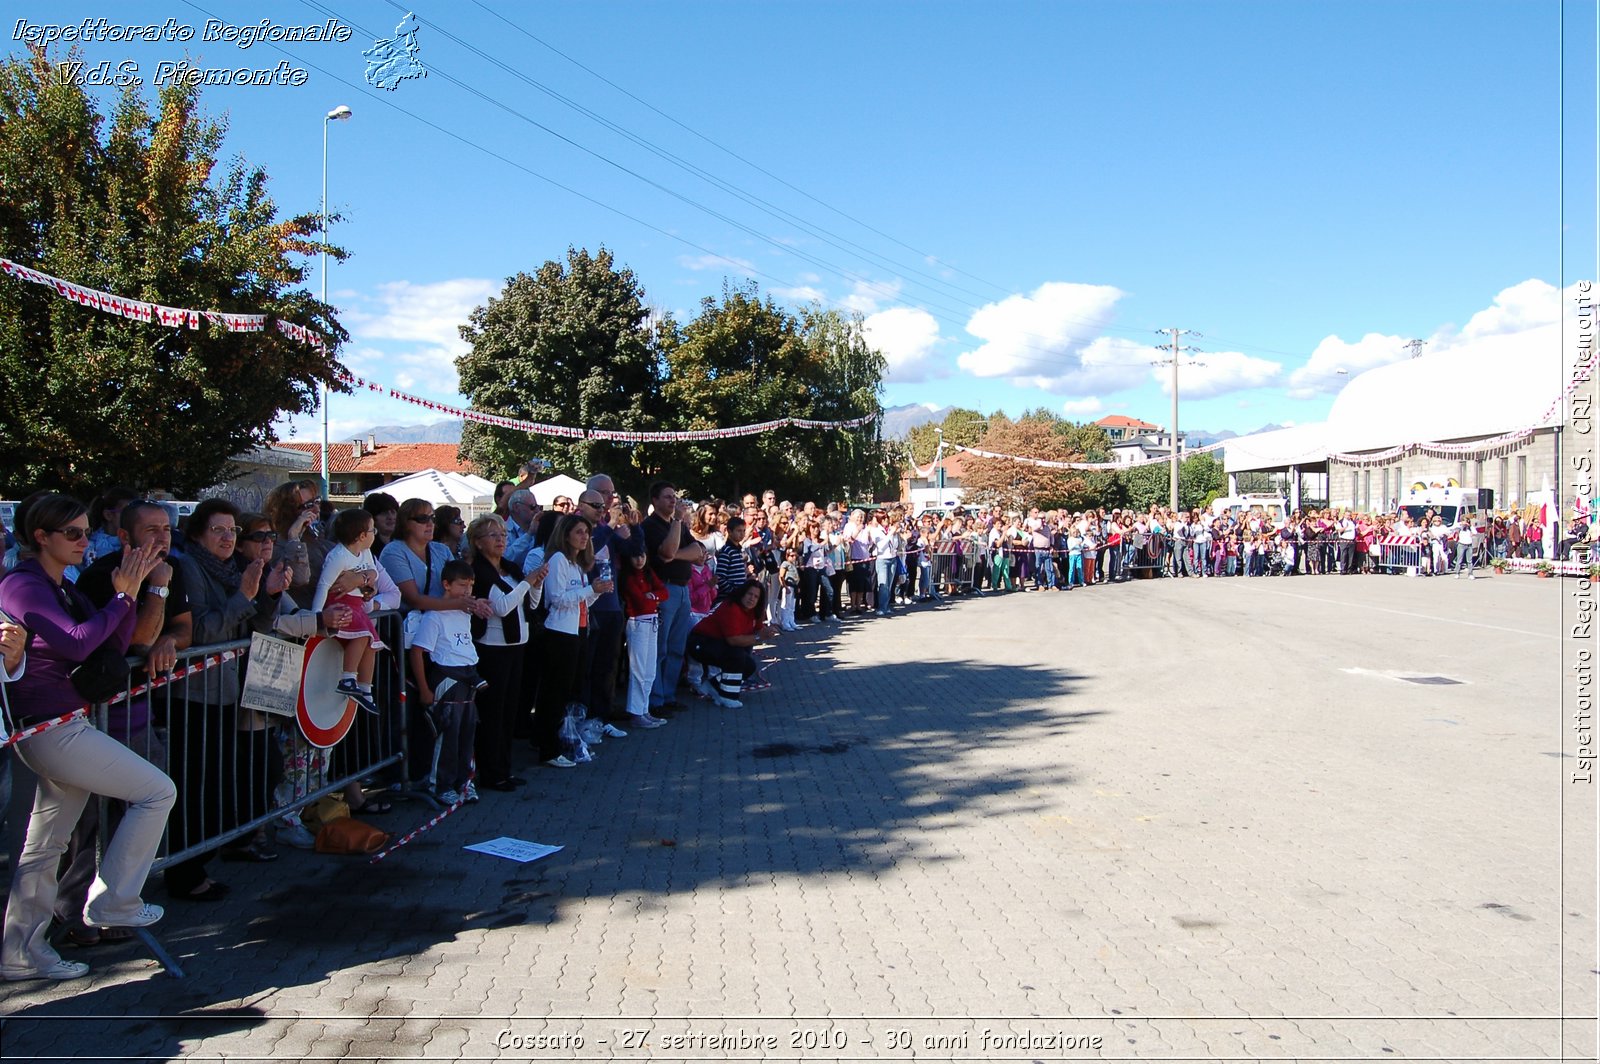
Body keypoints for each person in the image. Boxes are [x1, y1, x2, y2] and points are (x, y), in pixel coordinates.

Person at [0, 494, 173, 982]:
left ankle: (18, 951)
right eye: (73, 534)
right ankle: (116, 900)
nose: (83, 541)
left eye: (83, 532)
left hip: (64, 723)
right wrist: (121, 596)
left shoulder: (63, 586)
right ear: (41, 537)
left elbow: (111, 649)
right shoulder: (22, 585)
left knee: (46, 845)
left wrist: (135, 593)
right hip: (50, 727)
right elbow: (74, 642)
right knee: (158, 791)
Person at [55, 500, 191, 944]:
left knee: (141, 811)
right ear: (125, 537)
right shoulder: (104, 577)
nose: (162, 537)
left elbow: (181, 631)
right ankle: (74, 916)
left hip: (140, 714)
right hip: (95, 718)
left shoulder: (173, 569)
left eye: (167, 529)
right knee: (86, 827)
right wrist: (155, 592)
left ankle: (117, 908)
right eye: (150, 530)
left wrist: (170, 639)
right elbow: (136, 639)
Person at [465, 514, 544, 790]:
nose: (500, 540)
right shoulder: (480, 572)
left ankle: (504, 768)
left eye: (502, 535)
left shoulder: (510, 568)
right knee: (493, 713)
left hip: (516, 645)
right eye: (493, 536)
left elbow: (530, 604)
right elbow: (501, 607)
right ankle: (491, 771)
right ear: (478, 542)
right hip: (493, 649)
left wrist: (536, 584)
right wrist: (527, 583)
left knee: (510, 711)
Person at [537, 514, 610, 766]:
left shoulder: (577, 565)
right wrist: (590, 590)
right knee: (555, 691)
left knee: (570, 690)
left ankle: (564, 739)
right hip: (559, 633)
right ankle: (547, 747)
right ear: (566, 534)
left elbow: (581, 601)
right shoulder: (558, 560)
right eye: (578, 532)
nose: (584, 537)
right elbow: (557, 598)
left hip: (578, 630)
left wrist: (596, 592)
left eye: (587, 533)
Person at [410, 560, 484, 806]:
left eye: (470, 586)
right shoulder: (434, 617)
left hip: (468, 675)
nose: (467, 591)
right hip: (446, 677)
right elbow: (418, 651)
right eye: (462, 585)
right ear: (447, 585)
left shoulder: (465, 613)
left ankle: (464, 780)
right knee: (448, 732)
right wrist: (424, 688)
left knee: (467, 730)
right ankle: (440, 784)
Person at [311, 509, 395, 715]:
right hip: (339, 603)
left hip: (357, 606)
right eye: (372, 530)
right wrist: (316, 615)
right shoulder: (338, 556)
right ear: (361, 536)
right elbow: (324, 585)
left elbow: (372, 575)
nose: (375, 533)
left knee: (372, 644)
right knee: (363, 635)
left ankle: (366, 688)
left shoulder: (366, 553)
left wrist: (367, 589)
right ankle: (348, 677)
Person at [641, 483, 704, 716]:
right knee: (660, 648)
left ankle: (668, 695)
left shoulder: (677, 527)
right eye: (668, 497)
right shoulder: (651, 526)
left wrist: (676, 554)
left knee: (677, 647)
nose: (673, 501)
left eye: (674, 497)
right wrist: (677, 522)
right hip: (664, 590)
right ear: (655, 500)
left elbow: (698, 552)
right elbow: (665, 552)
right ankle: (656, 699)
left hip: (682, 589)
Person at [687, 582, 778, 709]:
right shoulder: (731, 607)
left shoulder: (755, 612)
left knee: (749, 666)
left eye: (756, 597)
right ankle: (727, 696)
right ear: (742, 594)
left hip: (719, 644)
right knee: (737, 656)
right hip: (700, 643)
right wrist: (759, 637)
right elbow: (733, 640)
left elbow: (758, 630)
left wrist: (768, 631)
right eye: (749, 594)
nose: (752, 598)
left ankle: (712, 686)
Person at [618, 551, 668, 730]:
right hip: (637, 623)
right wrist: (653, 598)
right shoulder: (628, 577)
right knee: (638, 670)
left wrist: (653, 597)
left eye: (642, 556)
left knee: (649, 670)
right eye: (635, 556)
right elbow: (639, 601)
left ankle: (644, 708)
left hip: (652, 622)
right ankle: (636, 712)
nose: (639, 560)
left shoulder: (648, 572)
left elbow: (664, 592)